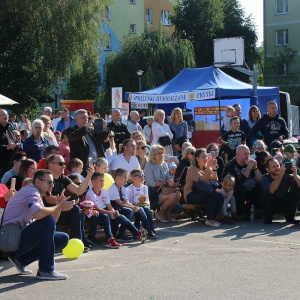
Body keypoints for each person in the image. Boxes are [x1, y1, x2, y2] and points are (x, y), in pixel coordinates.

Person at [3, 169, 74, 280]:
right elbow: (38, 214)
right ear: (37, 182)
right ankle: (46, 270)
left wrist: (58, 206)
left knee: (62, 238)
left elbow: (50, 226)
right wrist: (59, 207)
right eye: (49, 182)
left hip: (16, 240)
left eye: (53, 182)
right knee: (47, 220)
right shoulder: (31, 191)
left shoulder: (36, 195)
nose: (52, 185)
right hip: (11, 241)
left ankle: (21, 261)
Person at [43, 154, 94, 243]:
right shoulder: (44, 177)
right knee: (74, 208)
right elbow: (47, 199)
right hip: (46, 213)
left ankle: (76, 242)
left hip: (59, 210)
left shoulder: (63, 178)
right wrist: (61, 201)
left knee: (75, 208)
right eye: (61, 164)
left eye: (64, 163)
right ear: (51, 165)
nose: (64, 166)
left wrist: (88, 177)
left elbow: (78, 191)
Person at [184, 148, 224, 228]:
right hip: (191, 195)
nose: (205, 158)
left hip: (204, 192)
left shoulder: (206, 168)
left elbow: (214, 180)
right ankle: (209, 220)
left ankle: (212, 218)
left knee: (219, 196)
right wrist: (209, 167)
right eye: (203, 157)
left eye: (206, 156)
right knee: (213, 195)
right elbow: (203, 181)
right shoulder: (192, 169)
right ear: (197, 158)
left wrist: (214, 168)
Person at [107, 168, 148, 243]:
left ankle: (122, 233)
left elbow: (126, 201)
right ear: (118, 178)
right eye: (125, 177)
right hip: (112, 206)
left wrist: (133, 207)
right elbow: (119, 203)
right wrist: (132, 207)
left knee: (130, 211)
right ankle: (137, 232)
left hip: (120, 206)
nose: (127, 179)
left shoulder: (123, 188)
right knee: (129, 210)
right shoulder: (112, 188)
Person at [223, 145, 262, 219]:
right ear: (238, 154)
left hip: (247, 188)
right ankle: (241, 213)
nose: (248, 156)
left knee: (258, 186)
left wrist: (255, 168)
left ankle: (258, 210)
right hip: (233, 188)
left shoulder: (248, 163)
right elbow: (239, 181)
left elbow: (261, 180)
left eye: (249, 153)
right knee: (240, 187)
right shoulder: (231, 165)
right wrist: (249, 167)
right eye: (245, 154)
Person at [83, 172, 121, 248]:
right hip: (93, 213)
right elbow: (97, 208)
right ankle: (109, 239)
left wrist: (113, 211)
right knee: (105, 216)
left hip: (103, 211)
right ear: (93, 182)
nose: (103, 183)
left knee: (119, 215)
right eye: (100, 181)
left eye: (103, 181)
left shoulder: (104, 191)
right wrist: (109, 212)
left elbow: (109, 205)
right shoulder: (90, 193)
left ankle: (135, 232)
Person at [66, 109, 110, 174]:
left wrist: (104, 128)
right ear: (76, 120)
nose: (86, 119)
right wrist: (86, 128)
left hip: (96, 167)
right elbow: (73, 137)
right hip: (82, 168)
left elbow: (106, 145)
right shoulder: (71, 130)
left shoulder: (92, 131)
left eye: (87, 117)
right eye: (83, 118)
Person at [144, 145, 180, 223]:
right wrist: (165, 183)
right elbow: (151, 183)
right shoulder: (148, 165)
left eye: (162, 153)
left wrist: (172, 181)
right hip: (153, 192)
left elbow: (167, 177)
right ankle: (160, 213)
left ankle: (167, 213)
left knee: (178, 194)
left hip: (164, 189)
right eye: (159, 153)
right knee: (172, 196)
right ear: (153, 155)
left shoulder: (164, 164)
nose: (161, 155)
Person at [260, 158, 300, 224]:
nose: (277, 168)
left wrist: (295, 175)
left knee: (297, 190)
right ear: (268, 169)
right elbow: (271, 190)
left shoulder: (287, 176)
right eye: (274, 167)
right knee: (264, 192)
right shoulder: (265, 177)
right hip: (272, 206)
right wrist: (280, 175)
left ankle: (290, 217)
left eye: (278, 166)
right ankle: (268, 217)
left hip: (285, 204)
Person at [127, 169, 157, 239]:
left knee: (147, 209)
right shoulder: (129, 188)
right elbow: (128, 201)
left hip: (143, 206)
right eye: (140, 175)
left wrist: (145, 203)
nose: (142, 177)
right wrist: (134, 203)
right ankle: (148, 230)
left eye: (143, 175)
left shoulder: (145, 187)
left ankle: (151, 229)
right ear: (134, 178)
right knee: (141, 210)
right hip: (134, 207)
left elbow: (147, 201)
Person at [0, 109, 21, 178]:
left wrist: (17, 144)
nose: (6, 117)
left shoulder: (9, 129)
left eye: (7, 115)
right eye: (3, 115)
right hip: (2, 165)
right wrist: (6, 147)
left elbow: (15, 141)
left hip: (11, 164)